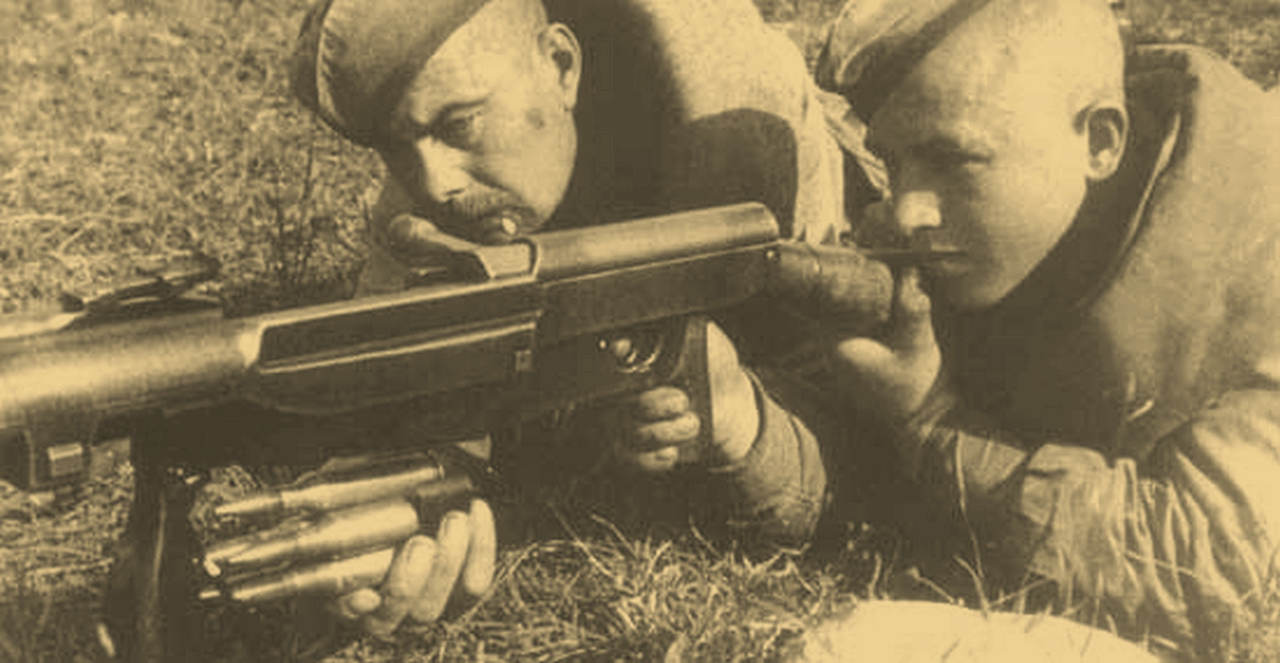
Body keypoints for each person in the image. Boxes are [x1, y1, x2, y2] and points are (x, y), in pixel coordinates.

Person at [103, 0, 866, 651]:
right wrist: (424, 485)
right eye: (399, 148)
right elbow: (420, 405)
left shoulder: (729, 114)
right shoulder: (425, 209)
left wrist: (740, 420)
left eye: (459, 124)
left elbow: (847, 442)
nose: (435, 183)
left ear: (560, 65)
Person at [703, 0, 1280, 657]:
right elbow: (891, 473)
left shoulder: (1261, 255)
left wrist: (930, 416)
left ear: (1100, 141)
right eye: (895, 165)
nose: (908, 210)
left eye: (953, 159)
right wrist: (742, 419)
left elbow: (1203, 576)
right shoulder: (1000, 229)